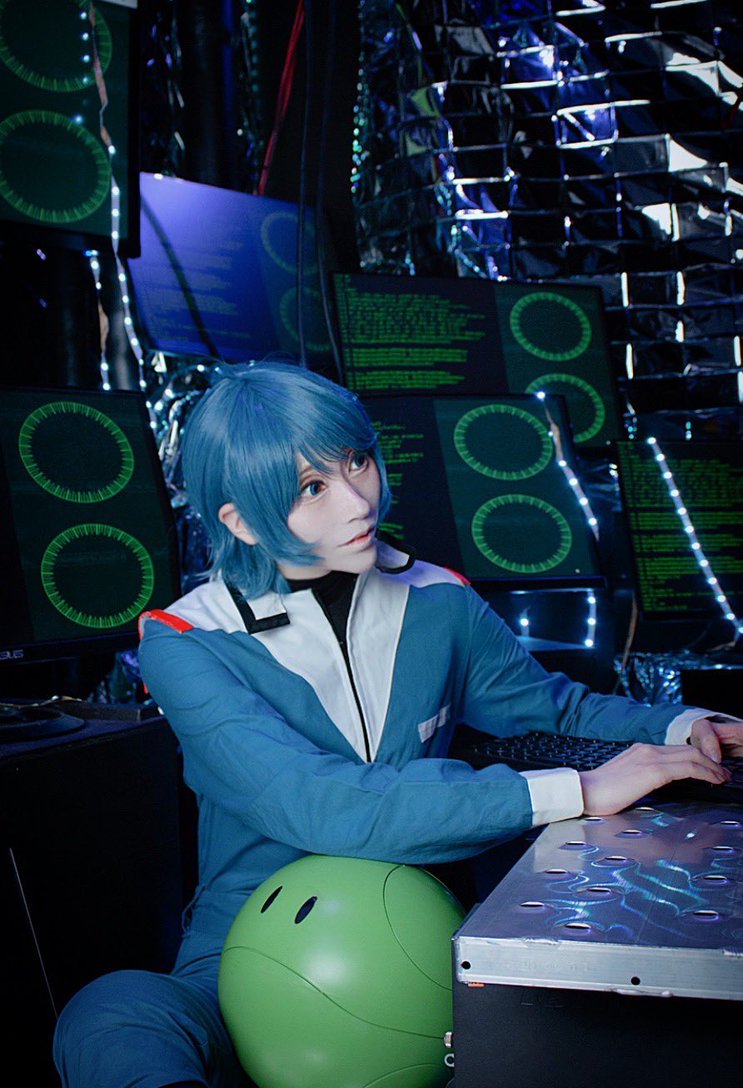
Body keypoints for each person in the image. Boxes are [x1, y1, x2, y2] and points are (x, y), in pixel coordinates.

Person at [54, 360, 743, 1088]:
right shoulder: (187, 641)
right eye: (311, 488)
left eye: (357, 461)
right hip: (246, 948)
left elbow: (554, 707)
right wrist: (573, 790)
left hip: (421, 941)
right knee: (108, 1015)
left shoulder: (440, 598)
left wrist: (684, 725)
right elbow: (314, 802)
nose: (358, 501)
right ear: (242, 522)